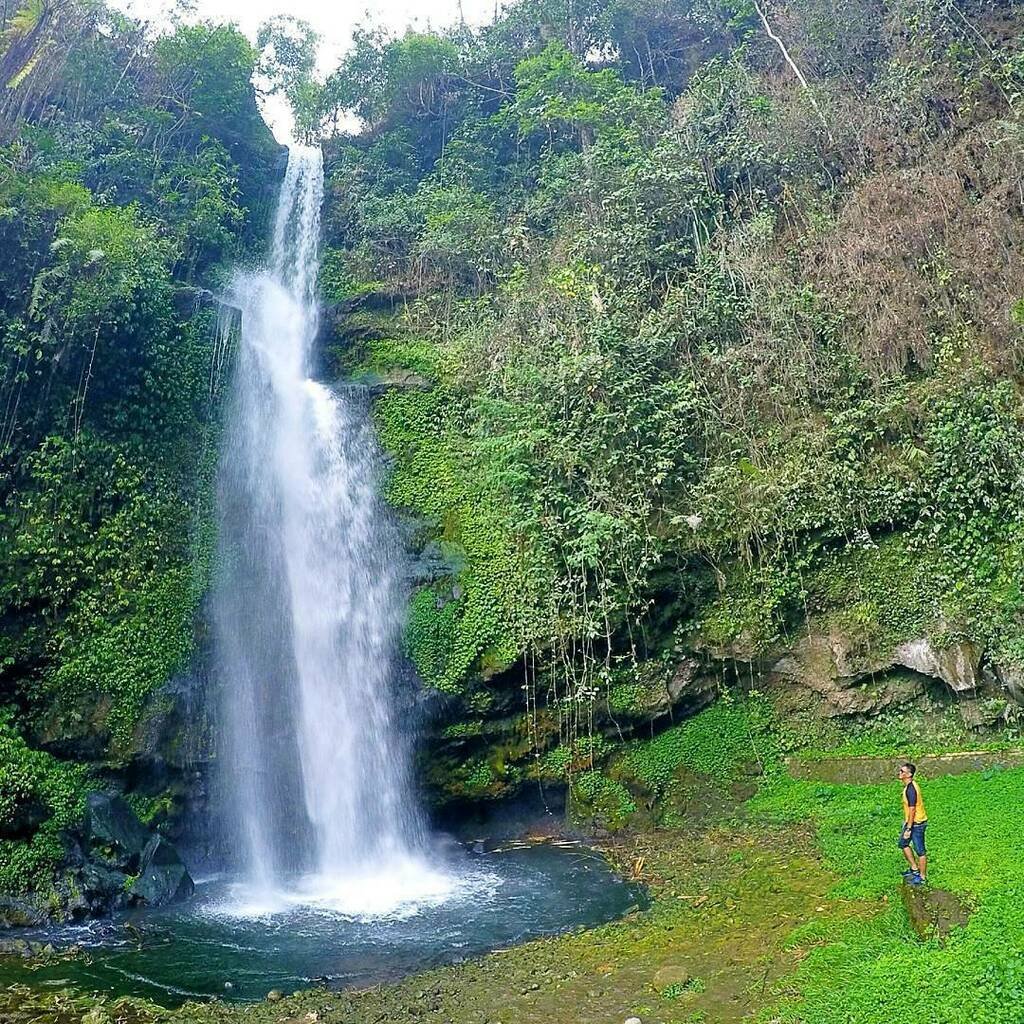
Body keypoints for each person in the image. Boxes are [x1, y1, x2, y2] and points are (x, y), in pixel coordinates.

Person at [897, 762, 927, 886]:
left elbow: (912, 809)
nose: (900, 773)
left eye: (902, 771)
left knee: (920, 850)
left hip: (917, 823)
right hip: (911, 822)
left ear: (909, 774)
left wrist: (909, 828)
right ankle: (914, 869)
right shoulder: (908, 786)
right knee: (903, 843)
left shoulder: (911, 790)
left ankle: (922, 877)